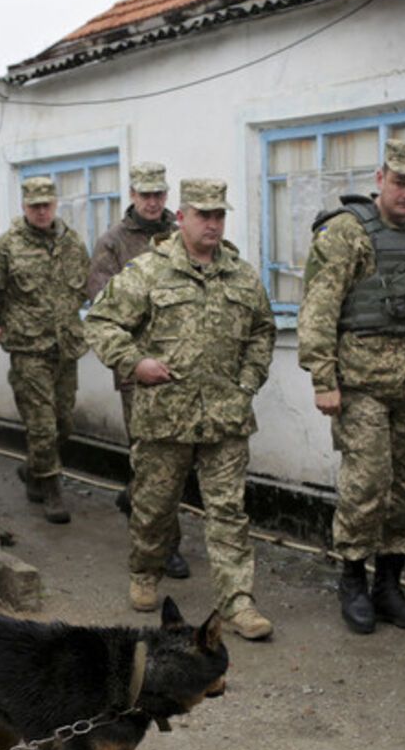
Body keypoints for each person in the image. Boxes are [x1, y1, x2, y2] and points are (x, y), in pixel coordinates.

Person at [86, 179, 276, 637]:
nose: (213, 223)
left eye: (219, 216)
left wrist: (247, 382)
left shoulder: (242, 275)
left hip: (225, 419)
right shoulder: (149, 271)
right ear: (181, 217)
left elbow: (262, 332)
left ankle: (237, 602)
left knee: (229, 512)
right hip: (165, 418)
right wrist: (135, 362)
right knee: (154, 506)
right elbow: (101, 321)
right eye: (203, 215)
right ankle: (145, 571)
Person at [297, 140, 405, 635]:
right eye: (400, 182)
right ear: (380, 177)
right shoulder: (346, 233)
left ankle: (389, 585)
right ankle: (351, 580)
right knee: (366, 485)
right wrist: (324, 380)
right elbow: (318, 310)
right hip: (360, 386)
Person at [86, 161, 191, 579]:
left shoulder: (182, 232)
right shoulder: (113, 242)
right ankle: (166, 545)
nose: (152, 202)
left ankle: (136, 500)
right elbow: (101, 301)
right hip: (137, 367)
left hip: (184, 365)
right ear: (131, 195)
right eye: (144, 194)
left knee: (181, 458)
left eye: (159, 194)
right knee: (153, 459)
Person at [0, 176, 89, 524]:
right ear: (24, 207)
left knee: (63, 424)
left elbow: (82, 289)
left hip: (65, 347)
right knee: (41, 426)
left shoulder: (72, 243)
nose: (42, 212)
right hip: (29, 349)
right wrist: (6, 321)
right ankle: (51, 490)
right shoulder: (6, 248)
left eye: (47, 204)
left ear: (55, 204)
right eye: (34, 206)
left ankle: (33, 471)